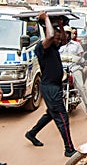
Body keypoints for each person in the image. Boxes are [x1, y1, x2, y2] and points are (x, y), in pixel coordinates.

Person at [25, 11, 76, 157]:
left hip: (54, 86)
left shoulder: (54, 47)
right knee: (62, 117)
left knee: (51, 114)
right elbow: (50, 36)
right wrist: (46, 18)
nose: (59, 37)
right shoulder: (42, 48)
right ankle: (69, 149)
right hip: (50, 88)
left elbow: (64, 41)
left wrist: (60, 24)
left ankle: (31, 133)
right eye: (57, 34)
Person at [59, 26, 87, 115]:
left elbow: (81, 57)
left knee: (81, 86)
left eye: (67, 33)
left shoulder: (76, 45)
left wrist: (83, 61)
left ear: (70, 35)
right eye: (64, 33)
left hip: (74, 68)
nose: (65, 35)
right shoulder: (58, 45)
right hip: (61, 70)